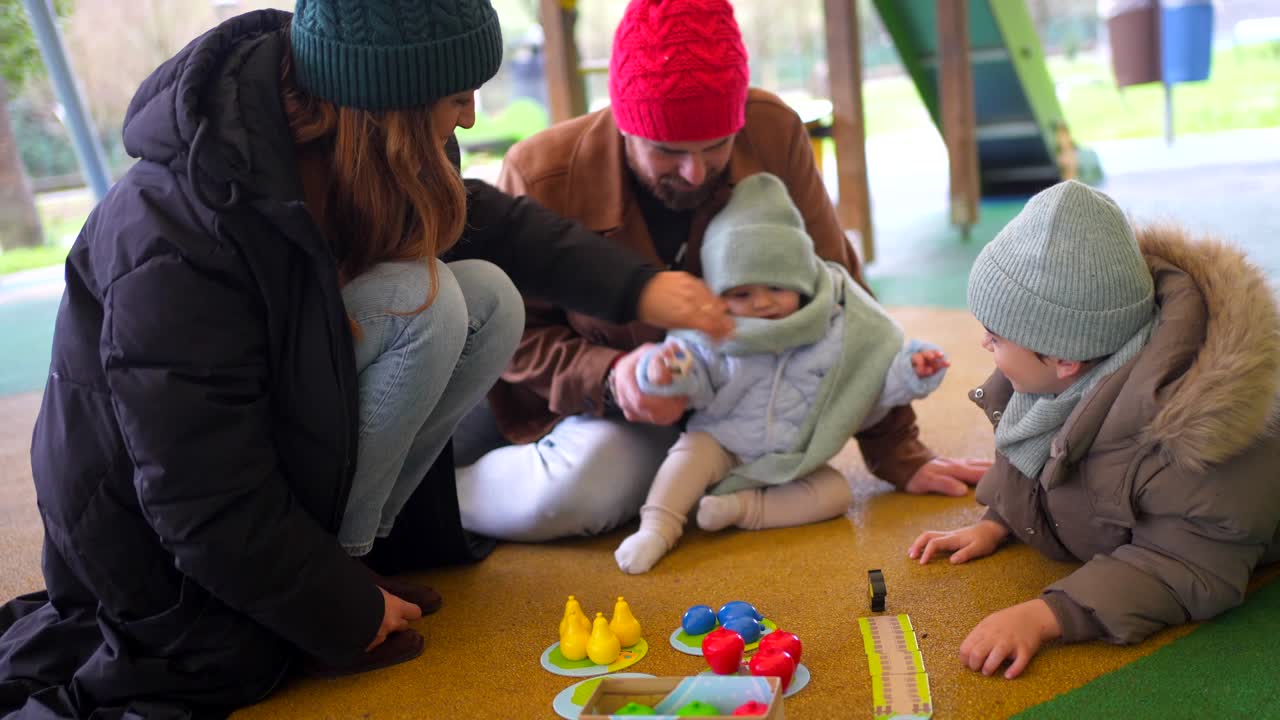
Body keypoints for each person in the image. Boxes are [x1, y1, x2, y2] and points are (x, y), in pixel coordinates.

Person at [0, 2, 731, 717]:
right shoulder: (175, 231)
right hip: (143, 530)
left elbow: (496, 227)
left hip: (250, 448)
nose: (471, 117)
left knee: (486, 297)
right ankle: (335, 591)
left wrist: (639, 288)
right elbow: (195, 489)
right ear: (389, 105)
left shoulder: (366, 137)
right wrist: (336, 614)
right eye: (455, 97)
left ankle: (350, 558)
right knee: (428, 300)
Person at [454, 0, 989, 543]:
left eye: (716, 147)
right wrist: (612, 376)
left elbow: (841, 300)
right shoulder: (543, 173)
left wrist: (897, 451)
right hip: (618, 410)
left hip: (750, 401)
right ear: (623, 124)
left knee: (796, 480)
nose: (693, 172)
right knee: (584, 494)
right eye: (667, 151)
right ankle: (432, 503)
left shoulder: (773, 131)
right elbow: (518, 341)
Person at [907, 180, 1280, 680]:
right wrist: (999, 522)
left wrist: (1050, 615)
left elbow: (1185, 564)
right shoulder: (1053, 378)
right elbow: (1036, 458)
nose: (983, 344)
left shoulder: (1188, 439)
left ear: (1063, 358)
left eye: (996, 338)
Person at [613, 174, 950, 574]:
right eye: (742, 294)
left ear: (803, 282)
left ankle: (740, 509)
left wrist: (910, 371)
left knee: (836, 493)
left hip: (796, 456)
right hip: (725, 442)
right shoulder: (715, 333)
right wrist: (665, 373)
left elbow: (864, 386)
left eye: (777, 287)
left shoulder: (834, 328)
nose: (762, 304)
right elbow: (695, 379)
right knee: (688, 455)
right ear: (720, 296)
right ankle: (658, 527)